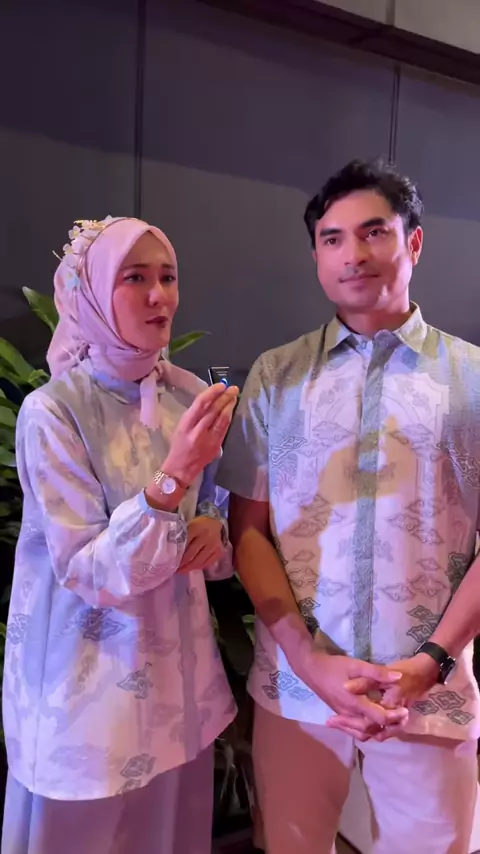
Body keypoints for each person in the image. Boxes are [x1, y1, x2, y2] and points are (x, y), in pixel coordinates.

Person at [217, 160, 480, 854]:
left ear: (413, 242)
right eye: (331, 239)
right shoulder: (276, 376)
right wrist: (310, 664)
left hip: (428, 693)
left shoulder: (473, 379)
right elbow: (248, 531)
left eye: (373, 232)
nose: (352, 254)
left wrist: (428, 663)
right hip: (298, 689)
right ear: (315, 256)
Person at [1, 216, 239, 854]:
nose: (159, 296)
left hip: (176, 679)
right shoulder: (54, 412)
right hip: (87, 688)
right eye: (135, 278)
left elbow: (213, 504)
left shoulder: (187, 394)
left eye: (168, 277)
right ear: (92, 294)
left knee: (166, 834)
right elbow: (87, 569)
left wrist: (212, 525)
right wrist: (173, 476)